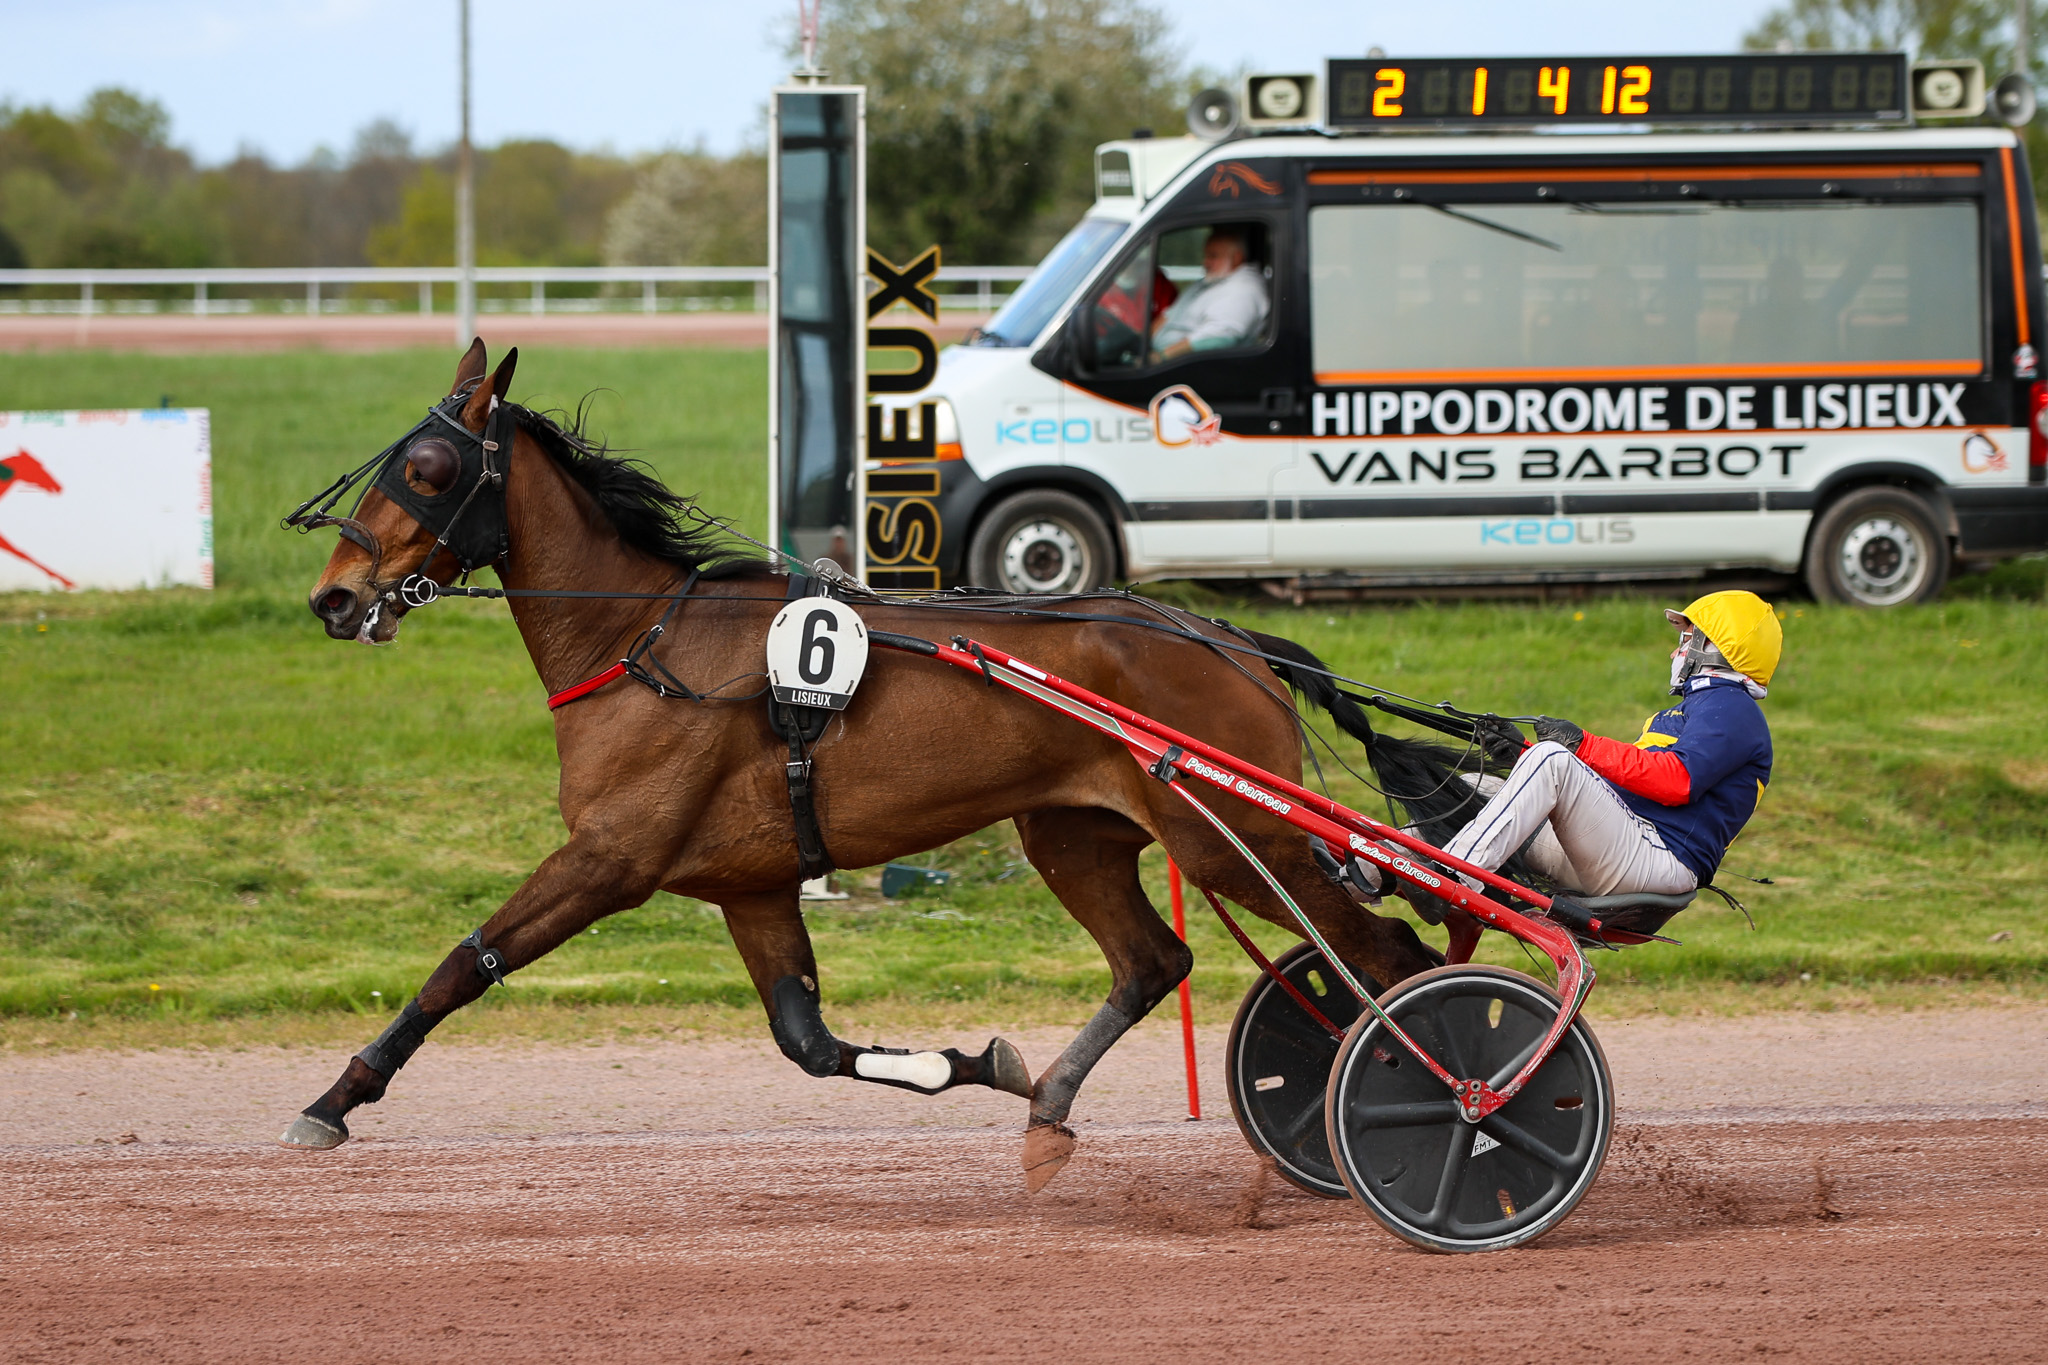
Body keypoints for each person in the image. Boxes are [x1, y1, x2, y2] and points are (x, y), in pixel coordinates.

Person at [1390, 591, 1780, 918]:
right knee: (1471, 787)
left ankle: (1453, 878)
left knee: (1552, 761)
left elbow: (1676, 782)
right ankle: (1369, 872)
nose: (1677, 650)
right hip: (1627, 848)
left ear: (1715, 648)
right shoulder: (1695, 709)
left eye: (1687, 639)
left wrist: (1577, 747)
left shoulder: (1730, 707)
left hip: (1657, 861)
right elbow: (1619, 788)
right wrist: (1520, 754)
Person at [1149, 226, 1269, 361]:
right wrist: (1143, 344)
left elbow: (1218, 337)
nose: (1205, 262)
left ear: (1236, 257)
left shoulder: (1245, 289)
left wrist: (1161, 357)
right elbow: (1168, 315)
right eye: (1206, 255)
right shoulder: (1209, 281)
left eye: (1213, 256)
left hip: (1188, 365)